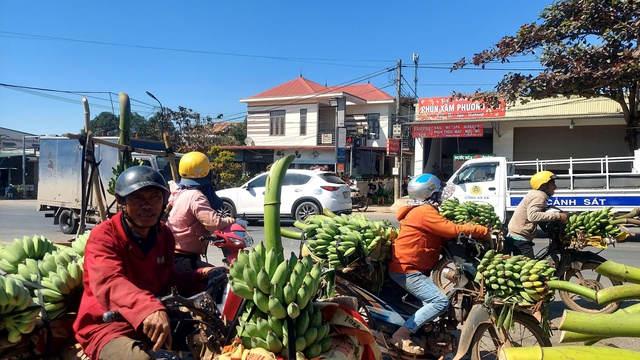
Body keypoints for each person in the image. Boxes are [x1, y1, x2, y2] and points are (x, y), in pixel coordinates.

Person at [73, 166, 214, 360]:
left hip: (153, 320)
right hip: (109, 326)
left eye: (155, 196)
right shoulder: (104, 236)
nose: (147, 205)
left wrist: (202, 274)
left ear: (164, 201)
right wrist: (148, 308)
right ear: (122, 201)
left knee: (210, 337)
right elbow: (109, 282)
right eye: (137, 198)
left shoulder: (163, 234)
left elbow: (166, 280)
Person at [387, 174, 491, 355]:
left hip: (411, 267)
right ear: (431, 194)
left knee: (429, 306)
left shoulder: (421, 210)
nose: (442, 196)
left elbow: (442, 234)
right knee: (440, 302)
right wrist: (480, 231)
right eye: (439, 192)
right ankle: (402, 334)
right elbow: (451, 229)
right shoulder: (424, 212)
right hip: (407, 270)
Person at [166, 151, 247, 273]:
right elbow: (213, 223)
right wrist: (234, 221)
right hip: (183, 256)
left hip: (174, 252)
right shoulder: (196, 196)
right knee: (220, 275)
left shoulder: (179, 192)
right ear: (207, 173)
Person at [504, 170, 568, 258]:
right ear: (544, 185)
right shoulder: (539, 196)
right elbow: (533, 216)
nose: (555, 187)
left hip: (514, 234)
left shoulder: (535, 194)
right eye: (553, 183)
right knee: (531, 270)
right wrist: (558, 216)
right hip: (520, 238)